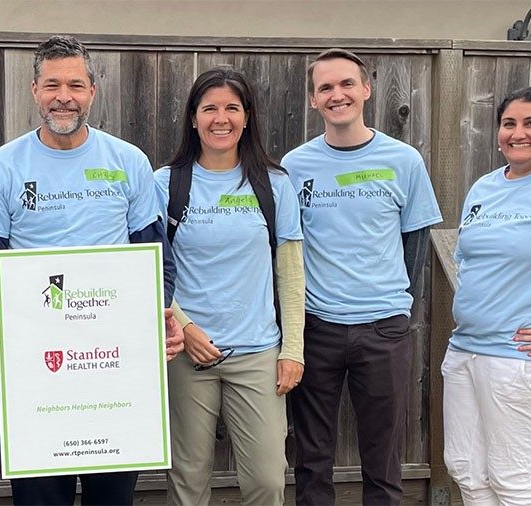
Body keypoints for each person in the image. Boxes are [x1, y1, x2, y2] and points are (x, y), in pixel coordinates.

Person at [0, 35, 184, 505]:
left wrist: (156, 315)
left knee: (112, 495)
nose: (63, 96)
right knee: (42, 496)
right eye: (52, 85)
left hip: (115, 363)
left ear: (92, 92)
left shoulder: (128, 162)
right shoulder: (0, 168)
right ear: (34, 90)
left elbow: (155, 257)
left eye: (75, 85)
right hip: (35, 364)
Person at [281, 48, 443, 505]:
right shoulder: (295, 167)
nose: (338, 95)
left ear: (366, 89)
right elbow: (287, 250)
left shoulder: (404, 160)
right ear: (313, 99)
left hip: (384, 330)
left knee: (384, 459)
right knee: (311, 459)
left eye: (347, 84)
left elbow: (416, 242)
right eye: (325, 87)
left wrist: (398, 305)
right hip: (316, 328)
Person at [154, 67, 305, 505]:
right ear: (193, 118)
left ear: (247, 116)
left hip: (257, 351)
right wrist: (184, 327)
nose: (221, 119)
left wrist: (292, 349)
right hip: (186, 352)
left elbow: (291, 273)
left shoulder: (275, 184)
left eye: (232, 108)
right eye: (210, 109)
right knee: (188, 478)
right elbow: (151, 267)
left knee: (267, 480)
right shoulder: (165, 184)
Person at [443, 87, 531, 505]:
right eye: (509, 124)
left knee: (511, 478)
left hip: (518, 359)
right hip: (465, 350)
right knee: (466, 470)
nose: (517, 133)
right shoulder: (484, 188)